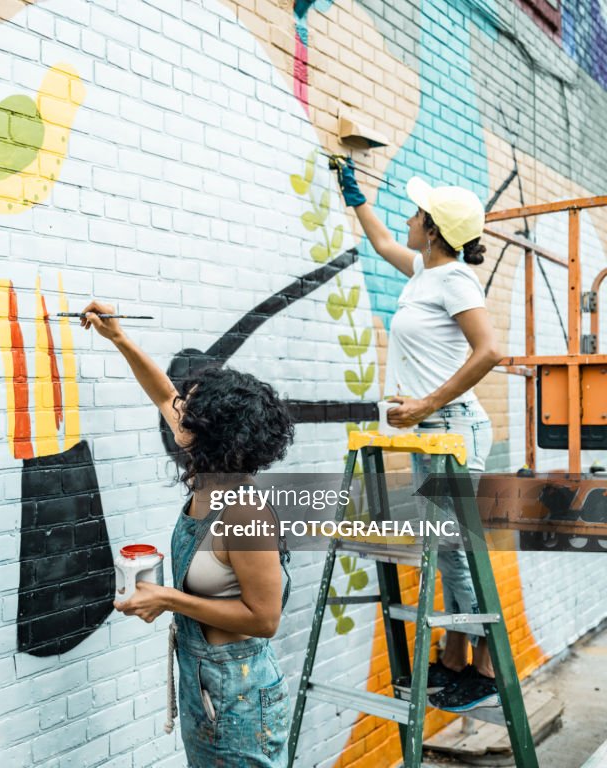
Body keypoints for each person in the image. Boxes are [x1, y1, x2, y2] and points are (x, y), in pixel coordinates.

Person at [79, 300, 295, 767]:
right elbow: (161, 391)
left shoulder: (244, 513)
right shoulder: (210, 474)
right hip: (205, 683)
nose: (177, 408)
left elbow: (265, 619)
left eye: (188, 407)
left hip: (239, 695)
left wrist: (168, 599)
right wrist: (118, 338)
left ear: (211, 433)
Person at [334, 158, 501, 711]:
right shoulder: (422, 272)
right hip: (431, 435)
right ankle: (455, 659)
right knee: (449, 550)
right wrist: (353, 192)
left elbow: (489, 351)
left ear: (432, 230)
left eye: (416, 213)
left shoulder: (454, 278)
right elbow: (382, 241)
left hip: (453, 430)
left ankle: (486, 662)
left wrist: (428, 401)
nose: (407, 218)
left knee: (452, 550)